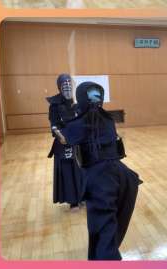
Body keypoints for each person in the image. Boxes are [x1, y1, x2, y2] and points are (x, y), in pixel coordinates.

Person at [62, 81, 142, 260]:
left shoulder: (75, 125)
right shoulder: (108, 120)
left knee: (104, 234)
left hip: (100, 180)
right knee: (110, 231)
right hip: (123, 175)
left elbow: (67, 137)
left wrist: (70, 116)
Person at [47, 74, 84, 211]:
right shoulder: (55, 105)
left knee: (81, 169)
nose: (67, 87)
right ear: (59, 87)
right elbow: (54, 124)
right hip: (64, 142)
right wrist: (61, 136)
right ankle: (73, 201)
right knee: (68, 171)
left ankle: (82, 196)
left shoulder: (77, 101)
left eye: (69, 84)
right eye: (64, 85)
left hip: (78, 141)